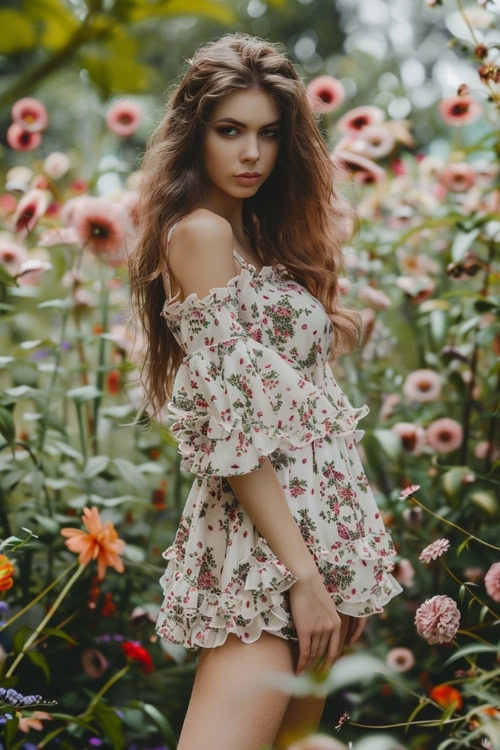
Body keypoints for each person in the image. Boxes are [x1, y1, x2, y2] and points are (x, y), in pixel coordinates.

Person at [128, 32, 403, 750]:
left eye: (269, 134)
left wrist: (343, 562)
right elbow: (235, 429)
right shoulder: (201, 234)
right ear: (197, 136)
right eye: (230, 131)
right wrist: (305, 577)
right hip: (267, 555)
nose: (251, 153)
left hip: (314, 541)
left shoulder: (261, 236)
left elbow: (311, 411)